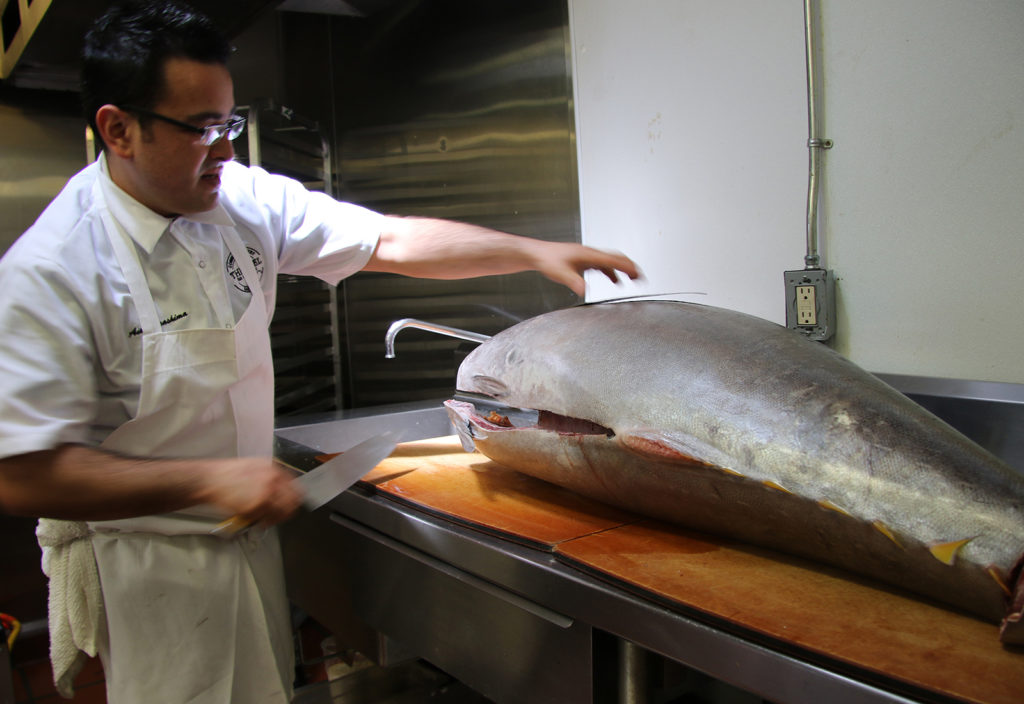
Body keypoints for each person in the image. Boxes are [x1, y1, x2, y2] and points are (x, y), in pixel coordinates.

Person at [0, 1, 638, 702]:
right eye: (202, 129)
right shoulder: (54, 269)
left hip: (245, 542)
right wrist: (206, 482)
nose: (226, 151)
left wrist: (529, 250)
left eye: (229, 123)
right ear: (118, 129)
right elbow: (23, 474)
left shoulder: (236, 199)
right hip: (152, 571)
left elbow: (388, 241)